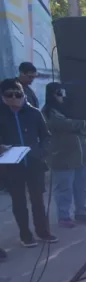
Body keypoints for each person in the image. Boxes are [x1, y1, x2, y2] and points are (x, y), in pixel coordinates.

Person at [0, 78, 56, 247]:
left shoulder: (34, 113)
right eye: (9, 95)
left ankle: (43, 231)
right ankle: (26, 235)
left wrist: (41, 152)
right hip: (11, 166)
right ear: (2, 96)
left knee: (38, 200)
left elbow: (46, 136)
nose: (15, 98)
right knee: (19, 203)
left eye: (18, 94)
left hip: (34, 164)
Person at [42, 82, 86, 227]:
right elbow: (62, 125)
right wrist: (80, 124)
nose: (62, 96)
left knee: (81, 187)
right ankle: (64, 216)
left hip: (82, 156)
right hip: (62, 157)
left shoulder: (72, 109)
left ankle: (81, 212)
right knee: (64, 189)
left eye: (63, 92)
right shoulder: (48, 112)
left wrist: (79, 124)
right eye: (59, 93)